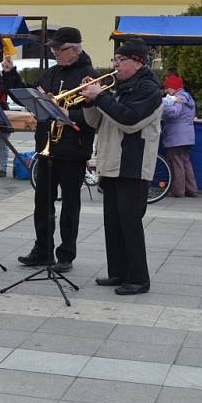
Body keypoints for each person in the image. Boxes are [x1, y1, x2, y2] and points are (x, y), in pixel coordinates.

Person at [81, 38, 162, 295]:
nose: (115, 65)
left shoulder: (149, 89)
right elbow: (96, 122)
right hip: (111, 163)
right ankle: (118, 272)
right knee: (112, 222)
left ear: (137, 63)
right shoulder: (117, 86)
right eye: (115, 60)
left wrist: (101, 97)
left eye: (120, 60)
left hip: (133, 164)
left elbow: (129, 121)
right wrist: (89, 100)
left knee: (130, 223)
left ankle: (139, 278)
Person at [17, 27, 96, 274]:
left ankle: (66, 255)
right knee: (42, 203)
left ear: (74, 49)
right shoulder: (50, 73)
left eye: (59, 50)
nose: (55, 54)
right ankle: (42, 250)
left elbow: (94, 116)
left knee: (70, 206)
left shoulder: (89, 77)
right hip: (47, 147)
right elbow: (32, 98)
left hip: (74, 150)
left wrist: (68, 115)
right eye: (53, 49)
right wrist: (9, 77)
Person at [161, 73, 198, 197]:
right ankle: (191, 189)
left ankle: (178, 191)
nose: (166, 91)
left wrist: (164, 104)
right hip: (187, 136)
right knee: (185, 162)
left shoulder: (178, 97)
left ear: (173, 87)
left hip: (176, 136)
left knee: (176, 163)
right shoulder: (188, 97)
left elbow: (174, 113)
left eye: (167, 88)